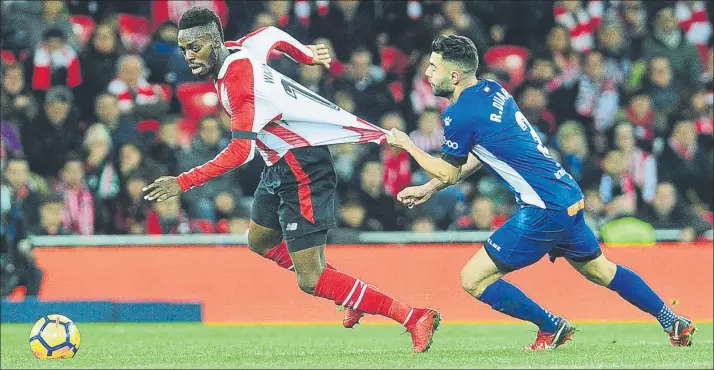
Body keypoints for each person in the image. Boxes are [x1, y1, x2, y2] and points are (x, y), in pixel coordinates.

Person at [141, 7, 439, 353]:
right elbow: (271, 35)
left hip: (303, 169)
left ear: (214, 41)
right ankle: (346, 291)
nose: (188, 56)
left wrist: (183, 182)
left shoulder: (238, 82)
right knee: (260, 241)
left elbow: (240, 152)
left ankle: (413, 316)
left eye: (194, 47)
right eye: (183, 48)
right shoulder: (240, 47)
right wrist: (307, 54)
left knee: (310, 280)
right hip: (278, 165)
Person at [386, 34, 696, 350]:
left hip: (543, 207)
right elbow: (481, 156)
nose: (427, 73)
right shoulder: (493, 90)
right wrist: (429, 188)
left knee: (473, 279)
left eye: (434, 67)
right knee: (602, 271)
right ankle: (672, 321)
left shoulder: (458, 114)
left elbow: (450, 170)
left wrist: (408, 146)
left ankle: (551, 326)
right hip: (566, 195)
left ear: (454, 75)